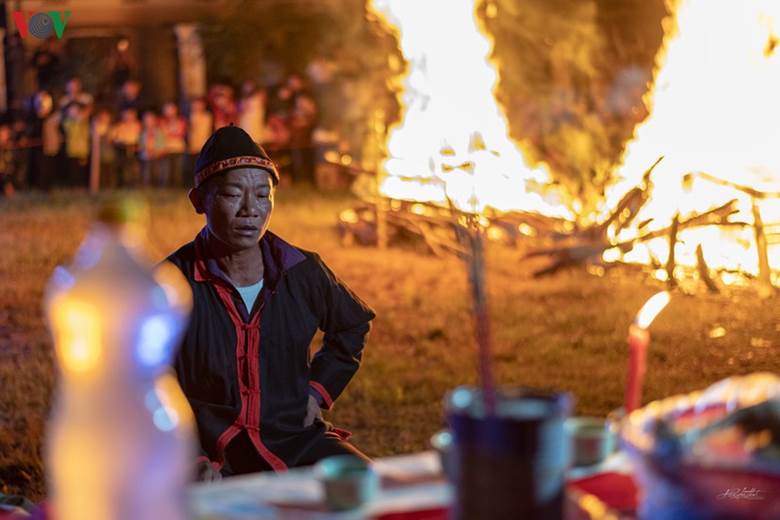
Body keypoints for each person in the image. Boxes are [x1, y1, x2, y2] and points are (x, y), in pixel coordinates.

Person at [165, 125, 375, 480]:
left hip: (293, 439)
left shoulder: (302, 271)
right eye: (233, 195)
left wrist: (316, 392)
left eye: (263, 195)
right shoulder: (171, 283)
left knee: (368, 488)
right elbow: (148, 378)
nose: (251, 210)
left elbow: (352, 323)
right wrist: (192, 458)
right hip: (212, 451)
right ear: (199, 201)